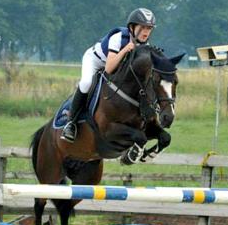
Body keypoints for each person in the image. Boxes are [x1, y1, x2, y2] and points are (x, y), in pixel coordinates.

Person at [60, 8, 156, 143]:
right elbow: (109, 68)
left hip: (114, 65)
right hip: (95, 60)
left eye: (149, 28)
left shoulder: (145, 45)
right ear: (132, 27)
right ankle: (70, 123)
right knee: (86, 83)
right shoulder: (119, 37)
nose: (146, 32)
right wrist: (125, 50)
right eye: (143, 27)